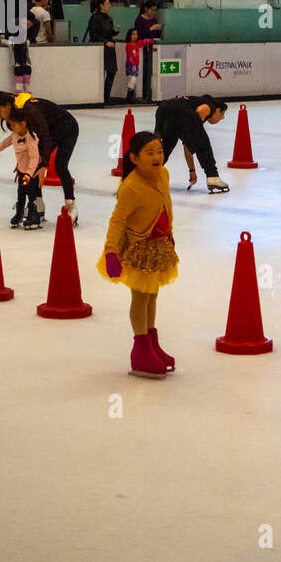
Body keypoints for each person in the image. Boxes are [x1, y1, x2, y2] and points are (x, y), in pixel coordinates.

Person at [97, 132, 179, 379]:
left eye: (160, 151)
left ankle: (152, 343)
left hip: (159, 244)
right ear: (134, 158)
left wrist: (170, 232)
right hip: (137, 248)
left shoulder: (163, 174)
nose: (157, 157)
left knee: (152, 295)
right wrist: (111, 252)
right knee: (141, 298)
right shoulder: (130, 187)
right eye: (150, 153)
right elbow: (117, 220)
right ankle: (140, 350)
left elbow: (166, 204)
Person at [0, 91, 80, 225]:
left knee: (60, 165)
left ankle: (71, 205)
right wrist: (23, 162)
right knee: (32, 166)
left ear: (7, 105)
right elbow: (24, 141)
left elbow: (45, 137)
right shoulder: (14, 116)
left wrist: (44, 164)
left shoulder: (28, 111)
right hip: (48, 129)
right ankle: (37, 204)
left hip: (66, 127)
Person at [153, 94, 229, 193]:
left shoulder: (195, 103)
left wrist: (192, 170)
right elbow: (201, 111)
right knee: (203, 143)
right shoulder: (210, 106)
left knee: (166, 145)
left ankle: (146, 174)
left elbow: (188, 144)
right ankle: (213, 177)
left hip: (163, 109)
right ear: (218, 111)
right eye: (221, 117)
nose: (219, 120)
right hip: (179, 110)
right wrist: (196, 130)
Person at [0, 105, 44, 229]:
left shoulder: (31, 139)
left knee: (32, 195)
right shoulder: (15, 134)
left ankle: (35, 216)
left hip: (31, 173)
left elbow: (34, 159)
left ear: (23, 123)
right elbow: (8, 140)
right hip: (22, 171)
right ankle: (19, 213)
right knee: (20, 193)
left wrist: (29, 174)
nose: (12, 127)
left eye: (14, 124)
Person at [86, 0, 118, 106]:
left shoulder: (109, 19)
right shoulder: (95, 18)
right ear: (101, 5)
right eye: (108, 3)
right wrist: (105, 42)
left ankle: (106, 96)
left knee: (112, 71)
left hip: (109, 48)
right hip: (100, 48)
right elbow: (94, 34)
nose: (110, 5)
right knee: (100, 73)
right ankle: (100, 97)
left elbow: (109, 32)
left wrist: (115, 32)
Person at [122, 28, 156, 105]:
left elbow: (144, 42)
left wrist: (153, 40)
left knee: (133, 80)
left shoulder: (137, 44)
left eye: (136, 35)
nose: (135, 36)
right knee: (132, 80)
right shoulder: (129, 45)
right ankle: (130, 96)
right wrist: (131, 65)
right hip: (131, 65)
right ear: (129, 36)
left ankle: (130, 96)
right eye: (133, 34)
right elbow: (130, 56)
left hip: (135, 65)